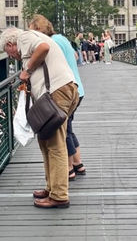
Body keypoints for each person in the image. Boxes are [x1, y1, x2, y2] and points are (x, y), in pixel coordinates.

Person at [0, 27, 79, 208]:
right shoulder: (29, 40)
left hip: (58, 92)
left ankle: (59, 195)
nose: (11, 57)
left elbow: (43, 48)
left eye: (8, 52)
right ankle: (52, 188)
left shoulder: (24, 37)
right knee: (46, 141)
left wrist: (26, 70)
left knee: (55, 144)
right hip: (62, 91)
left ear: (11, 44)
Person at [29, 15, 87, 181]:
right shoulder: (61, 38)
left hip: (65, 88)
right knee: (68, 127)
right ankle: (78, 163)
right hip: (77, 87)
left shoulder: (49, 42)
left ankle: (69, 169)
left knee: (62, 131)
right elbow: (76, 57)